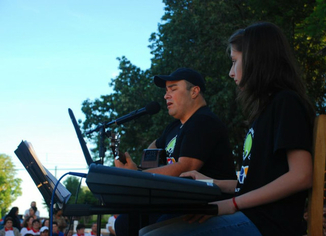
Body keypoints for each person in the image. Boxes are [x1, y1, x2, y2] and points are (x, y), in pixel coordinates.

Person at [139, 22, 315, 236]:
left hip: (268, 224)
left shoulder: (286, 102)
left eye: (234, 62)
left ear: (254, 59)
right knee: (147, 230)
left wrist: (231, 204)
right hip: (251, 215)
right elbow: (251, 183)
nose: (231, 73)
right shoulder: (265, 112)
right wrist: (210, 182)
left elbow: (301, 176)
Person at [114, 67, 237, 235]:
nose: (166, 96)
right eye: (166, 91)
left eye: (173, 89)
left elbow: (185, 167)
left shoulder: (203, 121)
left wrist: (139, 176)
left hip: (206, 204)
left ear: (194, 91)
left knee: (150, 229)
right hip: (178, 201)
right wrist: (143, 168)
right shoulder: (175, 126)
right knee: (125, 222)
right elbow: (155, 145)